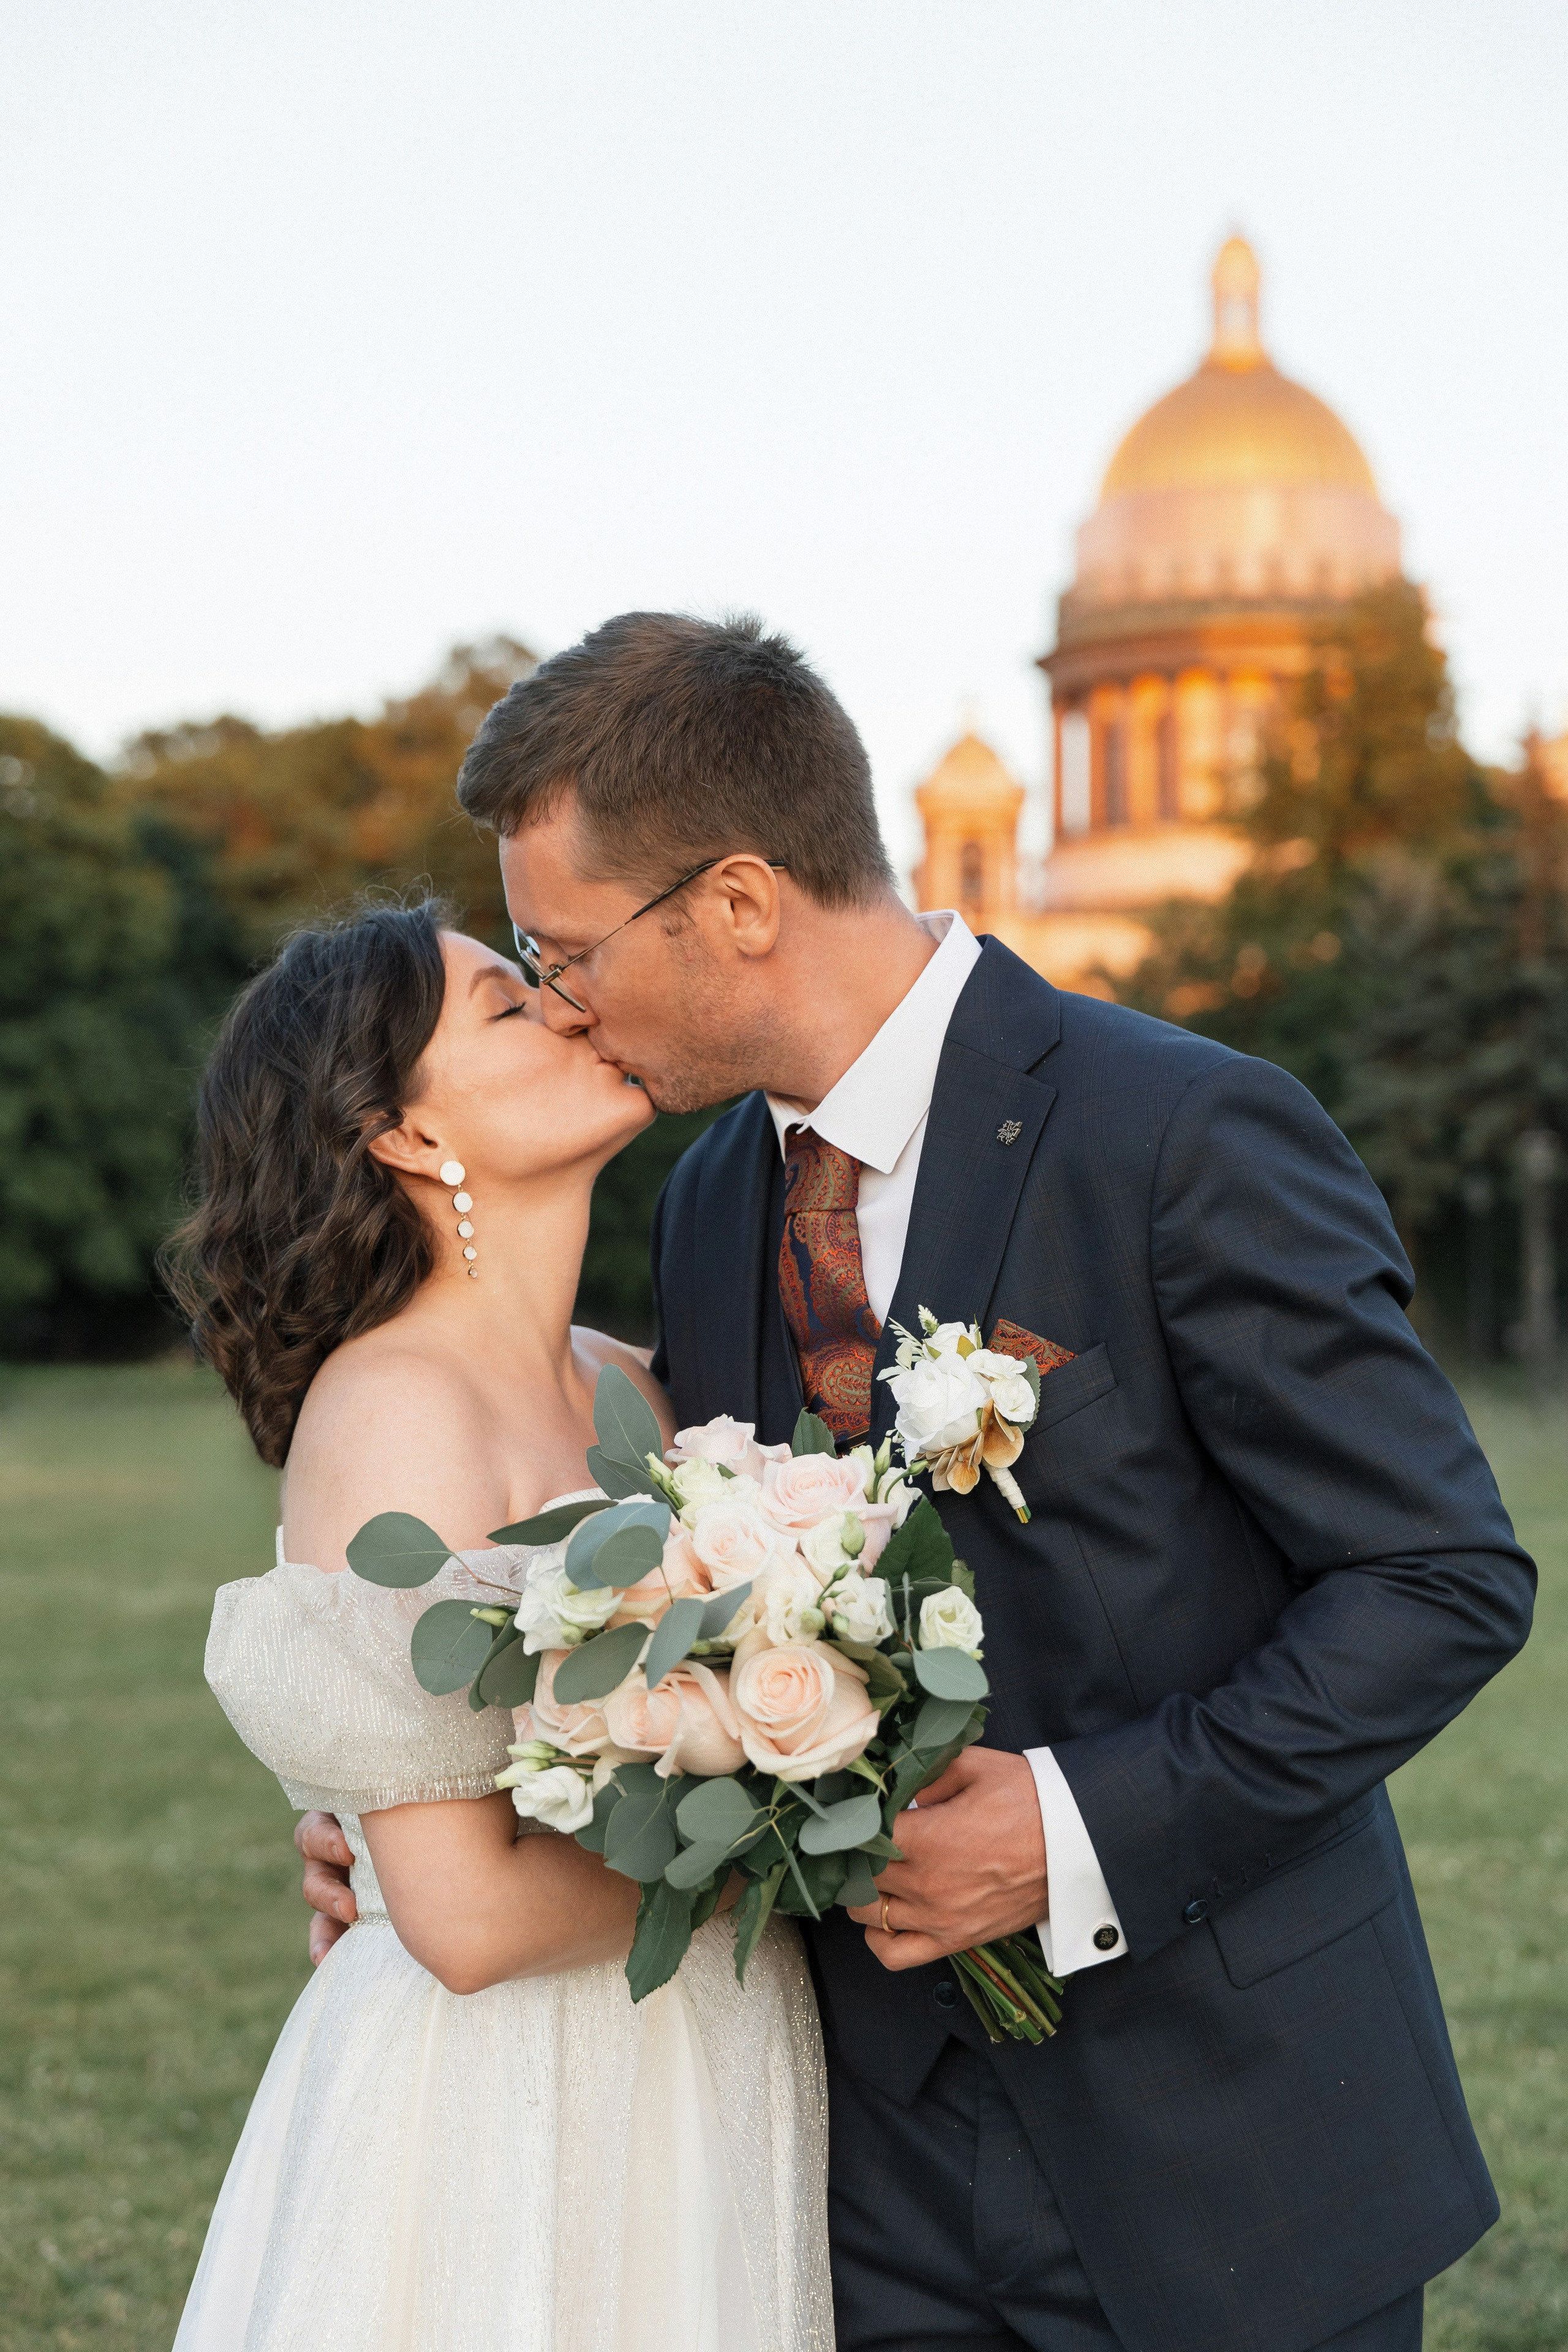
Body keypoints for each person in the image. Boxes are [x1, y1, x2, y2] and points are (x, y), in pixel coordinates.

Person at [287, 612, 1537, 2352]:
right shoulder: (712, 1200)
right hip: (848, 2176)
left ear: (737, 903)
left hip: (1229, 2151)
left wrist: (1074, 1832)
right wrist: (425, 1813)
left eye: (564, 950)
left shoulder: (1178, 1132)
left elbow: (1437, 1578)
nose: (559, 998)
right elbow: (679, 1594)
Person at [167, 899, 832, 2352]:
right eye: (507, 1006)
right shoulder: (394, 1409)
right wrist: (819, 1837)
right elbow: (463, 1922)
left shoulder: (630, 1383)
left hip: (699, 2045)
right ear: (404, 1133)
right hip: (511, 2096)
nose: (568, 1008)